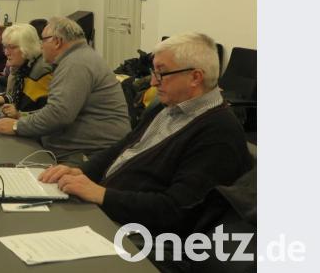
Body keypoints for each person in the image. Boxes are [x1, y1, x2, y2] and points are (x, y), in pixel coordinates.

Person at [37, 33, 252, 239]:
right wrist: (80, 171)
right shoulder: (168, 107)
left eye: (161, 73)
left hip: (142, 236)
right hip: (110, 209)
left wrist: (101, 194)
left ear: (195, 77)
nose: (152, 82)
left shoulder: (218, 132)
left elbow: (176, 210)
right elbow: (122, 148)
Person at [0, 16, 129, 165]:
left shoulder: (75, 64)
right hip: (82, 148)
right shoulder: (78, 58)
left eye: (43, 40)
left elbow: (58, 115)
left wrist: (17, 126)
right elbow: (56, 110)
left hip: (88, 154)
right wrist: (21, 117)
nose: (41, 47)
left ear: (57, 41)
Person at [0, 23, 52, 113]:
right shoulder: (24, 66)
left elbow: (50, 114)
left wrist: (19, 115)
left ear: (28, 47)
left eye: (12, 47)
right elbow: (15, 97)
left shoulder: (41, 71)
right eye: (5, 47)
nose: (6, 53)